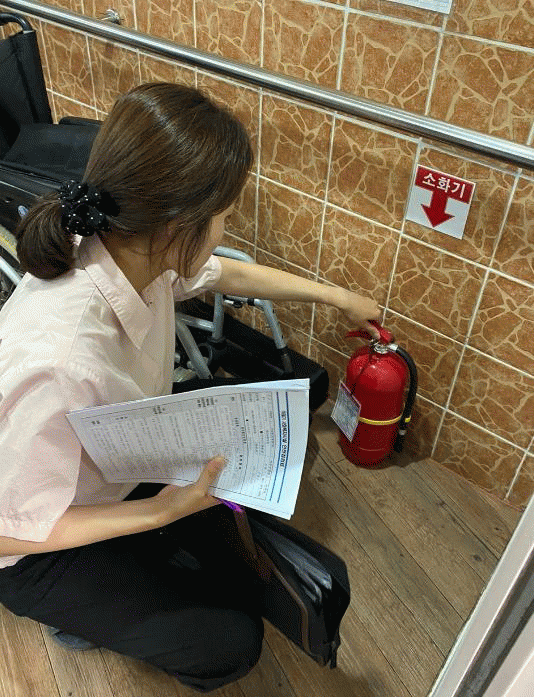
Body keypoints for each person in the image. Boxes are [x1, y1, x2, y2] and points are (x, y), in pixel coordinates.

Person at [0, 83, 380, 692]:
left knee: (246, 543)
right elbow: (8, 527)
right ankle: (74, 615)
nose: (228, 225)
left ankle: (146, 564)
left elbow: (225, 273)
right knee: (231, 644)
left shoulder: (128, 244)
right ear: (179, 226)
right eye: (225, 214)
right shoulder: (63, 361)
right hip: (34, 544)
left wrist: (336, 296)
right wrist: (159, 511)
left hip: (111, 455)